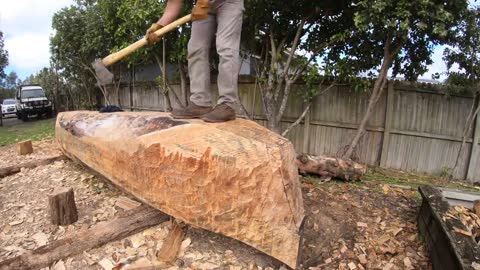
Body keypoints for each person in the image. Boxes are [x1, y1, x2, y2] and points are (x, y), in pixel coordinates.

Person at [145, 0, 244, 122]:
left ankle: (227, 104)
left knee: (226, 48)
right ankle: (200, 103)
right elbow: (174, 3)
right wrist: (160, 26)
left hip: (229, 2)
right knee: (196, 48)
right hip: (204, 5)